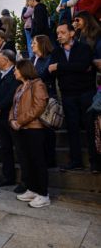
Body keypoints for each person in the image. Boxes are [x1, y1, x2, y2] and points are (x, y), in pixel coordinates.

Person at [49, 23, 100, 173]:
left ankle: (95, 163)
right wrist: (66, 68)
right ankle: (76, 161)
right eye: (57, 33)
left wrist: (60, 67)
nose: (58, 35)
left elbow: (83, 66)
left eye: (62, 32)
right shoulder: (56, 52)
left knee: (91, 129)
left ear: (72, 33)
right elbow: (52, 71)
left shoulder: (83, 48)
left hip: (86, 94)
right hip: (68, 95)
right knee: (72, 129)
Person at [10, 59, 50, 208]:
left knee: (38, 161)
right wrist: (12, 120)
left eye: (16, 69)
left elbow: (39, 107)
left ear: (24, 70)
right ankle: (33, 189)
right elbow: (13, 107)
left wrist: (19, 121)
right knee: (27, 161)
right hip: (21, 130)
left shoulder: (38, 84)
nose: (14, 72)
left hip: (34, 129)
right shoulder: (20, 87)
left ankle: (43, 194)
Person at [0, 50, 22, 188]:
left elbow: (12, 94)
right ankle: (8, 176)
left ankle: (25, 181)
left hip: (11, 115)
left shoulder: (16, 74)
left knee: (19, 149)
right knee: (4, 148)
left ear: (7, 60)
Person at [30, 35, 57, 168]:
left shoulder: (49, 58)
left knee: (48, 130)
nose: (31, 45)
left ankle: (50, 160)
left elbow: (42, 75)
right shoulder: (32, 59)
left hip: (47, 96)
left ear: (42, 44)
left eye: (34, 43)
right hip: (33, 97)